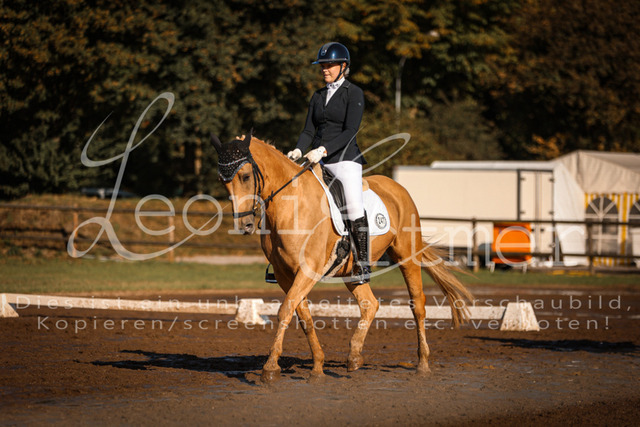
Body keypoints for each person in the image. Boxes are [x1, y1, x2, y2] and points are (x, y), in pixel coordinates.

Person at [287, 42, 370, 284]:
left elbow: (351, 131)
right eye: (322, 65)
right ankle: (282, 259)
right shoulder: (318, 95)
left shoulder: (354, 93)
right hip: (316, 159)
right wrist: (298, 149)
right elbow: (308, 130)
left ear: (343, 66)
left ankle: (363, 263)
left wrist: (323, 150)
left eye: (329, 65)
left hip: (344, 159)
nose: (324, 69)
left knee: (353, 205)